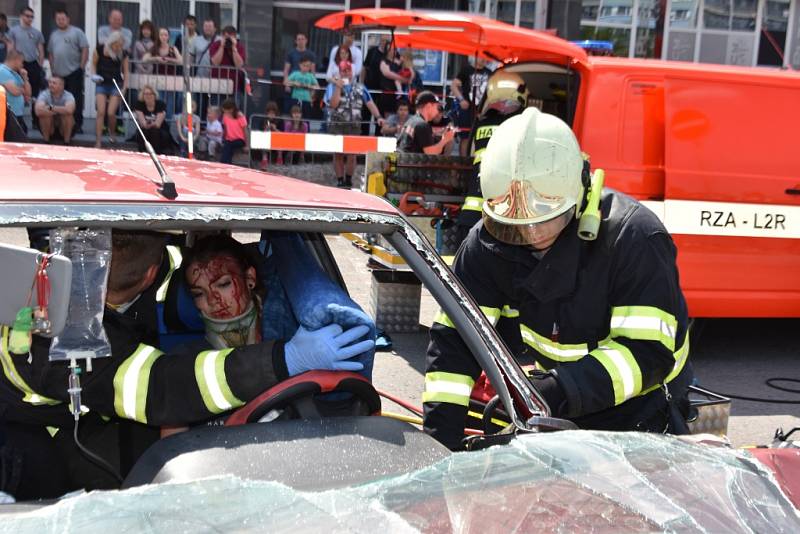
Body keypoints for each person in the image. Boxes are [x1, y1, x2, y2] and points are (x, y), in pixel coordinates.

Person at [0, 230, 374, 498]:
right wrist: (286, 359)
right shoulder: (63, 335)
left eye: (224, 284)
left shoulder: (78, 276)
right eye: (197, 293)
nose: (212, 302)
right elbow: (164, 388)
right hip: (31, 438)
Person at [424, 107, 694, 451]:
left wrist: (558, 390)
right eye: (514, 227)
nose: (531, 236)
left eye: (545, 222)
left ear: (578, 198)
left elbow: (646, 355)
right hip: (561, 398)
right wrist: (439, 446)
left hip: (644, 406)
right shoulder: (484, 247)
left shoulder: (633, 238)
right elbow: (454, 347)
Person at [455, 71, 529, 244]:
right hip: (498, 222)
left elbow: (470, 152)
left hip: (469, 217)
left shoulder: (482, 123)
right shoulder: (522, 124)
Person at [324, 60, 384, 188]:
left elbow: (370, 103)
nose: (346, 73)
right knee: (338, 153)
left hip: (354, 125)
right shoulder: (332, 86)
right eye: (343, 71)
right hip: (337, 124)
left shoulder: (361, 87)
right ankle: (340, 180)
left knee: (352, 154)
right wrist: (338, 87)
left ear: (352, 72)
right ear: (339, 72)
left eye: (348, 70)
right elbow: (333, 104)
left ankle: (348, 179)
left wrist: (378, 117)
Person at [47, 9, 88, 135]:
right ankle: (59, 126)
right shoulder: (54, 35)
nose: (60, 21)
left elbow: (85, 49)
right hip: (58, 74)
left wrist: (81, 67)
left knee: (75, 99)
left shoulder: (77, 32)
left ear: (68, 19)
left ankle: (77, 125)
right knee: (58, 99)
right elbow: (51, 53)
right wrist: (53, 69)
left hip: (74, 72)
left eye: (63, 19)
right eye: (58, 19)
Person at [92, 31, 129, 148]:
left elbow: (126, 72)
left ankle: (112, 133)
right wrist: (93, 76)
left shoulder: (123, 53)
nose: (118, 48)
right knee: (101, 112)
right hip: (102, 83)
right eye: (116, 45)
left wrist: (124, 88)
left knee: (111, 113)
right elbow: (93, 64)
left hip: (115, 84)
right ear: (111, 42)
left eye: (120, 45)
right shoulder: (99, 49)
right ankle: (98, 140)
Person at [8, 6, 44, 127]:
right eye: (27, 16)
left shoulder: (36, 33)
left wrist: (40, 63)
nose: (29, 19)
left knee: (34, 93)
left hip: (33, 64)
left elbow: (40, 49)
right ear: (21, 16)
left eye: (31, 17)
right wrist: (11, 65)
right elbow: (11, 48)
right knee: (17, 91)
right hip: (18, 65)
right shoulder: (13, 31)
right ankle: (17, 118)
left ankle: (36, 121)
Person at [451, 57, 492, 156]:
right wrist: (461, 100)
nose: (484, 59)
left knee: (481, 135)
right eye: (482, 57)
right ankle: (463, 162)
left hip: (482, 110)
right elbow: (453, 85)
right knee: (465, 137)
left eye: (485, 57)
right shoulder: (466, 70)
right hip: (467, 109)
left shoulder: (489, 72)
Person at [397, 91, 455, 155]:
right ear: (429, 106)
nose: (437, 111)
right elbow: (431, 153)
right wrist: (445, 139)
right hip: (407, 163)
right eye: (437, 107)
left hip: (400, 161)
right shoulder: (422, 125)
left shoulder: (411, 120)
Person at [143, 27, 182, 119]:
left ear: (168, 37)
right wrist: (156, 59)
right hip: (158, 81)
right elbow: (144, 59)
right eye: (161, 35)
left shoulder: (172, 48)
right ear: (158, 36)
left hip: (171, 81)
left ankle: (167, 125)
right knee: (159, 102)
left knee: (169, 105)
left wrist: (170, 60)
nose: (163, 37)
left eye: (165, 35)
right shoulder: (154, 48)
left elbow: (181, 61)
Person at [34, 76, 75, 144]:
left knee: (68, 116)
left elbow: (69, 110)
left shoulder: (68, 95)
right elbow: (38, 111)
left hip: (63, 129)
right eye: (49, 82)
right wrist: (60, 111)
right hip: (50, 129)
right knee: (45, 115)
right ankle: (46, 141)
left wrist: (51, 108)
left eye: (54, 83)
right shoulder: (44, 94)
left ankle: (67, 142)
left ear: (62, 86)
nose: (51, 85)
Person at [209, 25, 246, 100]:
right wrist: (222, 46)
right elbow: (215, 63)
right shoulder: (216, 45)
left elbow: (239, 65)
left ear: (235, 37)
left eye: (230, 38)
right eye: (226, 38)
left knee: (233, 110)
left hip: (234, 86)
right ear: (222, 36)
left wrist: (234, 48)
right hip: (217, 86)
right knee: (216, 110)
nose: (228, 40)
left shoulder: (239, 47)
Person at [133, 84, 171, 154]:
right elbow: (142, 122)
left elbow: (158, 124)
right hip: (145, 128)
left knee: (154, 131)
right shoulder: (139, 104)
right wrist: (146, 124)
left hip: (160, 129)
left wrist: (150, 124)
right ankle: (142, 152)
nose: (148, 96)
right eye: (146, 94)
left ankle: (156, 152)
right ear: (143, 95)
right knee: (144, 131)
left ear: (154, 95)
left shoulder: (161, 104)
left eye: (151, 94)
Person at [282, 32, 316, 112]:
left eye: (302, 39)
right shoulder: (291, 53)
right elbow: (286, 70)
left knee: (305, 111)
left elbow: (313, 72)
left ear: (306, 40)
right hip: (293, 85)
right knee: (290, 109)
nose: (301, 41)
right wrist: (286, 84)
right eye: (299, 39)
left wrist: (312, 88)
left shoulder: (311, 55)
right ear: (296, 41)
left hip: (305, 86)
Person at [0, 50, 31, 133]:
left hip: (17, 113)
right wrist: (22, 89)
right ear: (16, 60)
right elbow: (15, 91)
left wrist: (25, 78)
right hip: (9, 114)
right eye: (21, 61)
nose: (22, 64)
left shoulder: (15, 74)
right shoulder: (2, 71)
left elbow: (28, 93)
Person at [220, 98, 247, 164]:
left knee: (228, 145)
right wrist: (223, 138)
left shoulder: (240, 116)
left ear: (231, 109)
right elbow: (225, 129)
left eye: (225, 109)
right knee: (227, 145)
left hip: (240, 140)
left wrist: (246, 145)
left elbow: (245, 130)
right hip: (229, 139)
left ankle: (224, 162)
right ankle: (226, 162)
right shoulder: (225, 116)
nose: (224, 111)